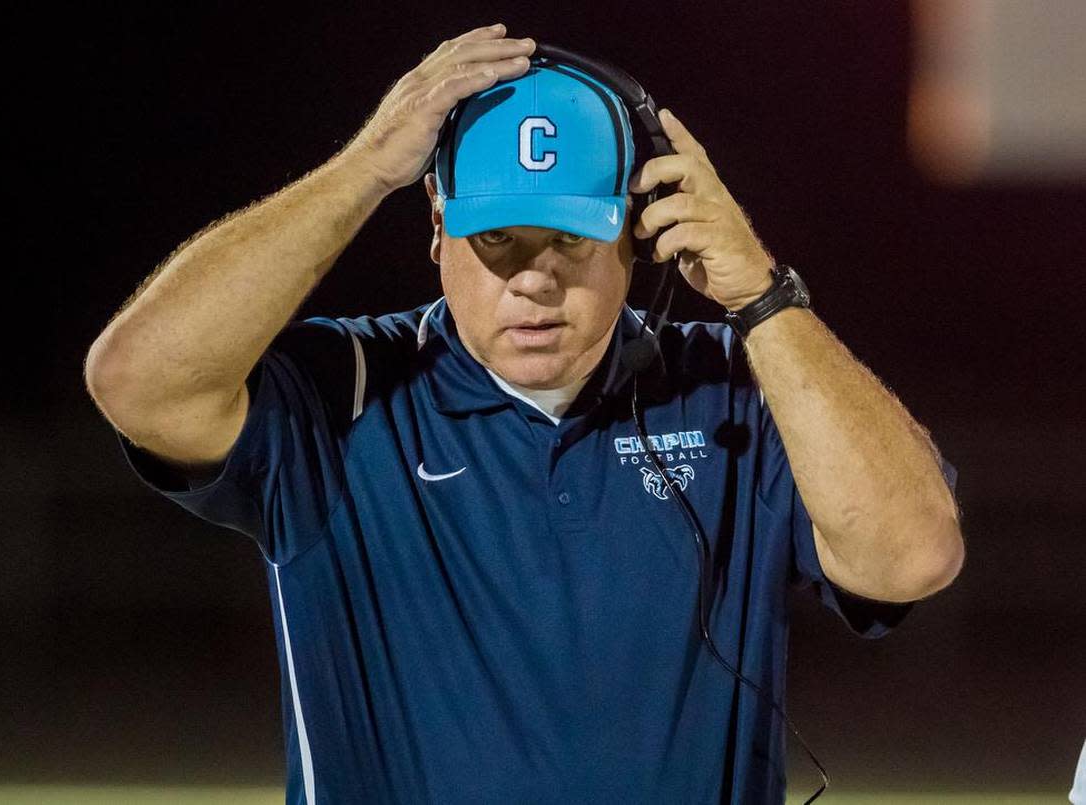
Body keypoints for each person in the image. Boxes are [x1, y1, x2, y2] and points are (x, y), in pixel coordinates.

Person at [84, 23, 964, 805]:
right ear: (436, 227)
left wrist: (764, 299)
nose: (534, 279)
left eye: (571, 239)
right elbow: (136, 382)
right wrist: (367, 166)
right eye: (496, 238)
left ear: (637, 232)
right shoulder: (344, 389)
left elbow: (912, 555)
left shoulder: (738, 383)